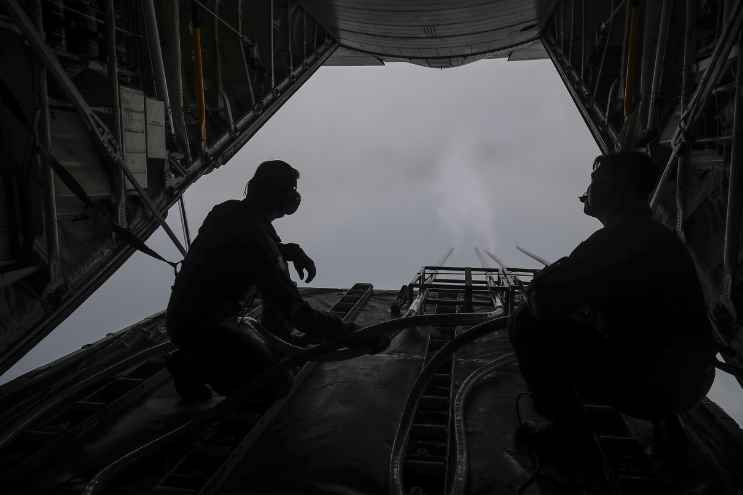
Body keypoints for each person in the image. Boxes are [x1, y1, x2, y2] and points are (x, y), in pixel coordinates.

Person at [510, 151, 717, 438]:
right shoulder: (656, 236)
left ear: (616, 187)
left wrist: (543, 286)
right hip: (689, 381)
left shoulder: (619, 239)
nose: (589, 187)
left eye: (595, 179)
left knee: (527, 324)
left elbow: (544, 301)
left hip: (656, 384)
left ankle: (567, 437)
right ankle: (666, 425)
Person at [165, 160, 371, 402]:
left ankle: (201, 358)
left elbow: (235, 249)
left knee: (271, 331)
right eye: (290, 190)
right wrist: (356, 335)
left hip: (182, 320)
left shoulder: (227, 211)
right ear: (278, 196)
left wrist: (285, 250)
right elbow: (299, 314)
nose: (295, 196)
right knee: (276, 385)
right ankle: (191, 364)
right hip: (207, 329)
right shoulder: (259, 242)